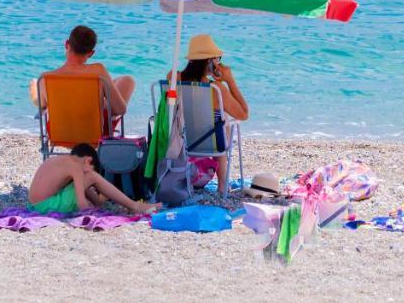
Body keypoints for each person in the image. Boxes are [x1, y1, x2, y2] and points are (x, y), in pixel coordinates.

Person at [169, 33, 248, 194]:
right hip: (211, 144)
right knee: (221, 121)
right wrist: (230, 80)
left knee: (217, 120)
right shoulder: (217, 88)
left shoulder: (173, 78)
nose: (220, 62)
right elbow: (243, 114)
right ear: (210, 62)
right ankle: (222, 185)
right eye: (217, 58)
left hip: (180, 140)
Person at [32, 25, 136, 117]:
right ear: (91, 53)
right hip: (93, 135)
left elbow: (42, 106)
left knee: (40, 95)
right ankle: (98, 100)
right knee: (128, 80)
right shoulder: (98, 71)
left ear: (66, 44)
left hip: (58, 135)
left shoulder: (45, 77)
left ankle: (36, 92)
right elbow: (119, 110)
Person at [27, 143, 160, 215]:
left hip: (35, 205)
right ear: (88, 160)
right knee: (91, 176)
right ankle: (135, 206)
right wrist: (95, 214)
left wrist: (97, 201)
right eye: (91, 167)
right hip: (47, 205)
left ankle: (122, 203)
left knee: (87, 177)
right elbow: (81, 204)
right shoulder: (76, 167)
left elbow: (77, 188)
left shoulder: (61, 161)